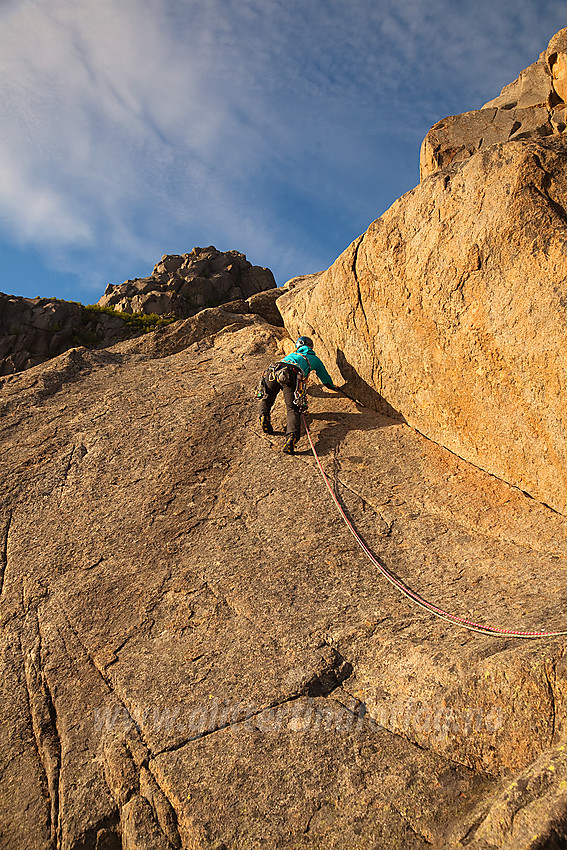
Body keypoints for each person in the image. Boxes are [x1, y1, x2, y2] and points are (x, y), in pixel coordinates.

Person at [258, 336, 338, 454]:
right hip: (291, 373)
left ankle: (264, 415)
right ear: (311, 347)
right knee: (292, 408)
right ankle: (291, 439)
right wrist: (332, 387)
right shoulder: (314, 359)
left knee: (267, 398)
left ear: (297, 346)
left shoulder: (291, 355)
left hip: (274, 370)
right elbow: (324, 377)